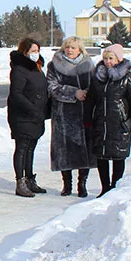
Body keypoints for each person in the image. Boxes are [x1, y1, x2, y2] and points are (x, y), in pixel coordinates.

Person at [85, 44, 131, 197]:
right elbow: (90, 100)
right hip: (101, 122)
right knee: (101, 156)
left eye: (111, 58)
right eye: (105, 58)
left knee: (118, 156)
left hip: (119, 123)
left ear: (119, 59)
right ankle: (105, 188)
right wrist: (87, 118)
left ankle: (115, 187)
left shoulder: (128, 78)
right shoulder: (98, 78)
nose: (108, 61)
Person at [46, 36, 96, 197]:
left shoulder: (88, 65)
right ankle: (67, 184)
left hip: (84, 113)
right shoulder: (55, 65)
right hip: (63, 114)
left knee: (85, 149)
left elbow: (95, 85)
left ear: (80, 49)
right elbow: (52, 87)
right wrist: (74, 92)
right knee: (64, 150)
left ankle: (82, 183)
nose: (69, 50)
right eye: (67, 47)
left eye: (73, 47)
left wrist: (87, 94)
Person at [7, 38, 49, 198]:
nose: (35, 54)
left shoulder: (37, 68)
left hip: (36, 115)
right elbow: (16, 94)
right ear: (25, 52)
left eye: (37, 51)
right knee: (22, 148)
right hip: (23, 116)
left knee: (31, 147)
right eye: (32, 51)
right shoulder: (19, 69)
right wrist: (32, 109)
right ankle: (20, 182)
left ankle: (30, 178)